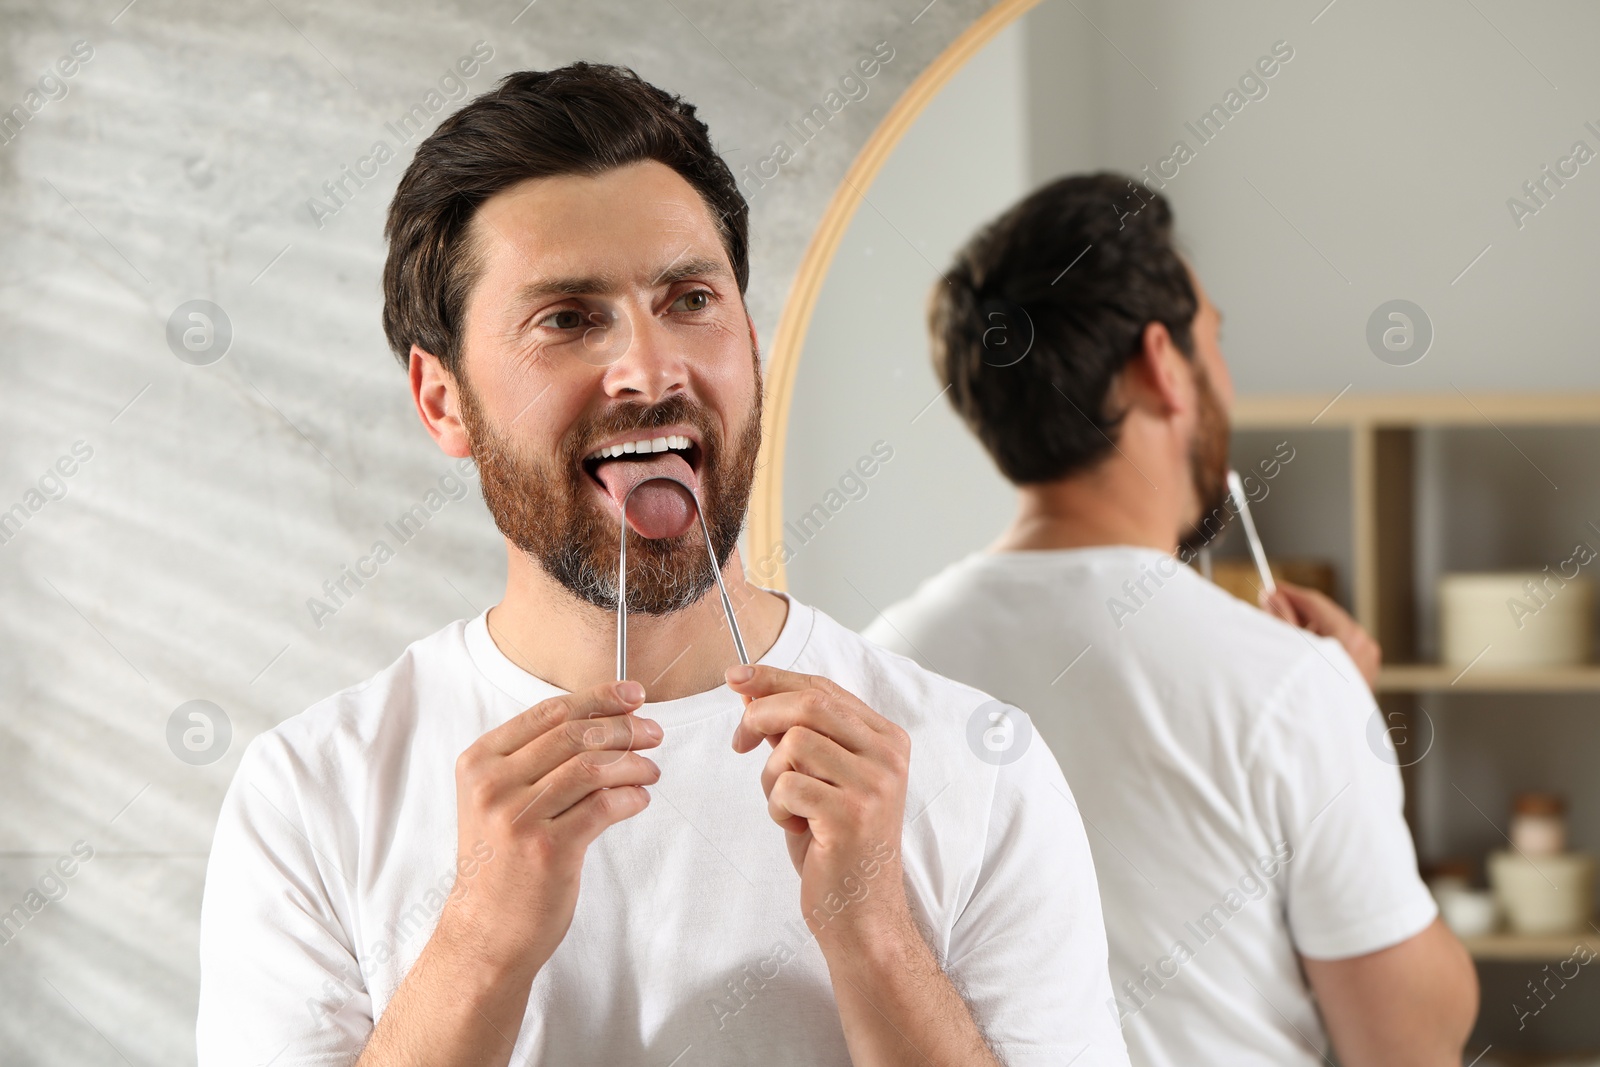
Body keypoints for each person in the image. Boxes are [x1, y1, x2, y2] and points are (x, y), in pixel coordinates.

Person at [195, 66, 1130, 1067]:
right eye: (568, 317)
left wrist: (879, 939)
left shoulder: (977, 769)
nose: (650, 369)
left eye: (689, 299)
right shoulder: (311, 792)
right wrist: (476, 947)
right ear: (441, 400)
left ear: (751, 348)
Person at [864, 172, 1478, 1066]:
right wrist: (1347, 737)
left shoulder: (884, 662)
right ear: (1161, 363)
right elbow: (1409, 1041)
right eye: (1213, 342)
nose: (1223, 375)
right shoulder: (1292, 685)